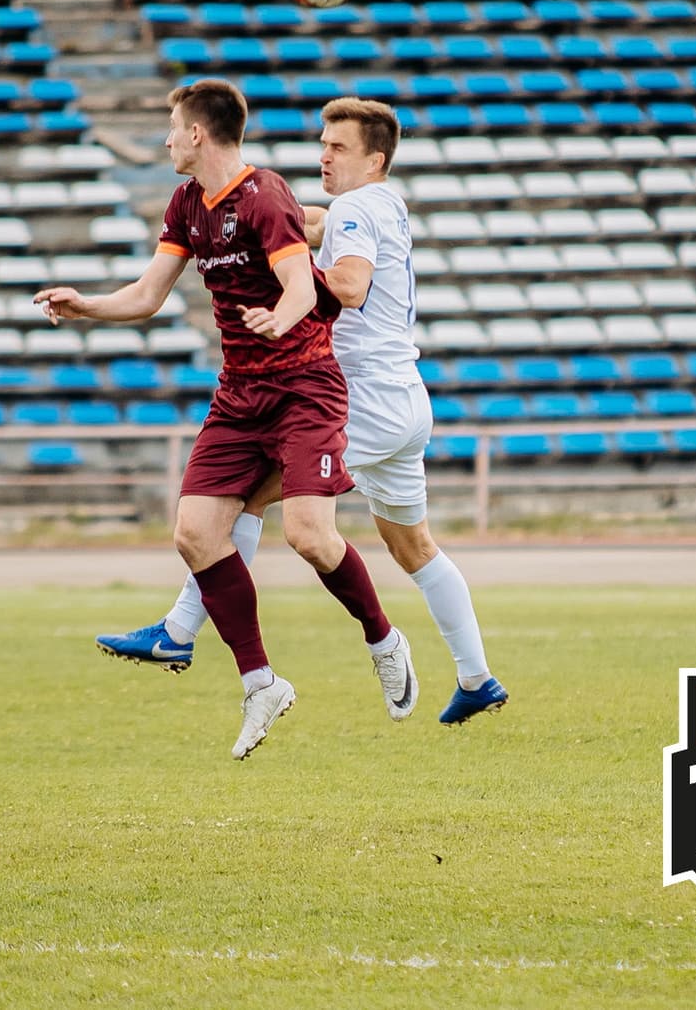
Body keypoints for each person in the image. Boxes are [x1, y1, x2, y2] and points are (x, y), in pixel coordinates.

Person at [97, 97, 509, 726]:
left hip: (362, 395)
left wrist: (288, 284)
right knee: (412, 545)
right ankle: (477, 677)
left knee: (244, 502)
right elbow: (310, 224)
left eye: (338, 147)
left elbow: (349, 285)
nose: (323, 154)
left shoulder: (355, 208)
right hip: (405, 396)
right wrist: (282, 229)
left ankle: (180, 627)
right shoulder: (384, 203)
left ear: (375, 159)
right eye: (322, 142)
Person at [34, 79, 414, 760]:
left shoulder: (265, 195)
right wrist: (85, 305)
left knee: (309, 536)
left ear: (199, 134)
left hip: (305, 390)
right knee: (195, 532)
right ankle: (260, 681)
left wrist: (281, 318)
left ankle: (383, 638)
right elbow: (150, 295)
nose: (168, 139)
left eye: (173, 128)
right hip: (239, 396)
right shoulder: (187, 203)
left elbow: (302, 285)